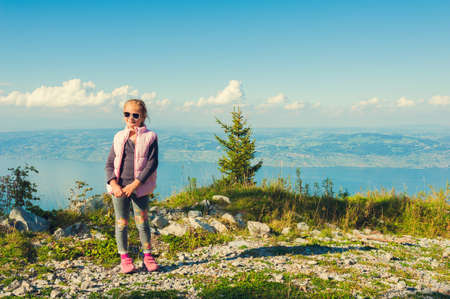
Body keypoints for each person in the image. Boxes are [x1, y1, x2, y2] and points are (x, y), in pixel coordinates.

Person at [105, 99, 159, 274]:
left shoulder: (150, 137)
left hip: (139, 189)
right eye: (127, 114)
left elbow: (152, 164)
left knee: (142, 223)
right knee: (121, 223)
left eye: (135, 115)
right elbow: (109, 164)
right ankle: (125, 258)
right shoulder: (119, 137)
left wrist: (135, 185)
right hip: (119, 189)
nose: (131, 118)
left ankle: (148, 256)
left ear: (143, 116)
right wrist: (114, 184)